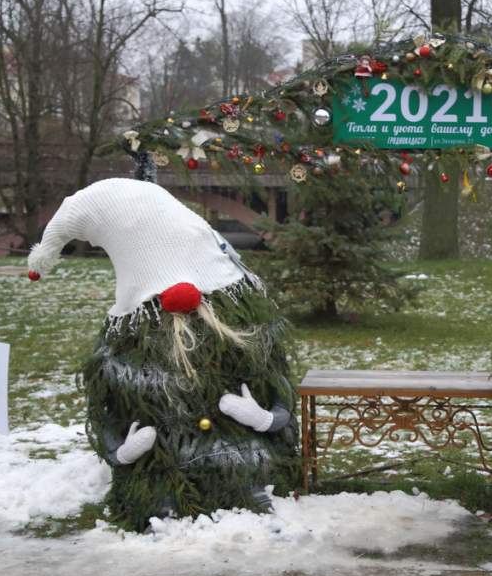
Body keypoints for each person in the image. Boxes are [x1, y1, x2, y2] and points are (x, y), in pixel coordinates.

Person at [28, 179, 298, 531]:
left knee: (246, 479)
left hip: (244, 461)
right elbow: (107, 414)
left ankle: (241, 490)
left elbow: (281, 398)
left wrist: (263, 419)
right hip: (162, 471)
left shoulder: (248, 340)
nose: (183, 298)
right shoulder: (124, 360)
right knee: (157, 498)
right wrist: (123, 453)